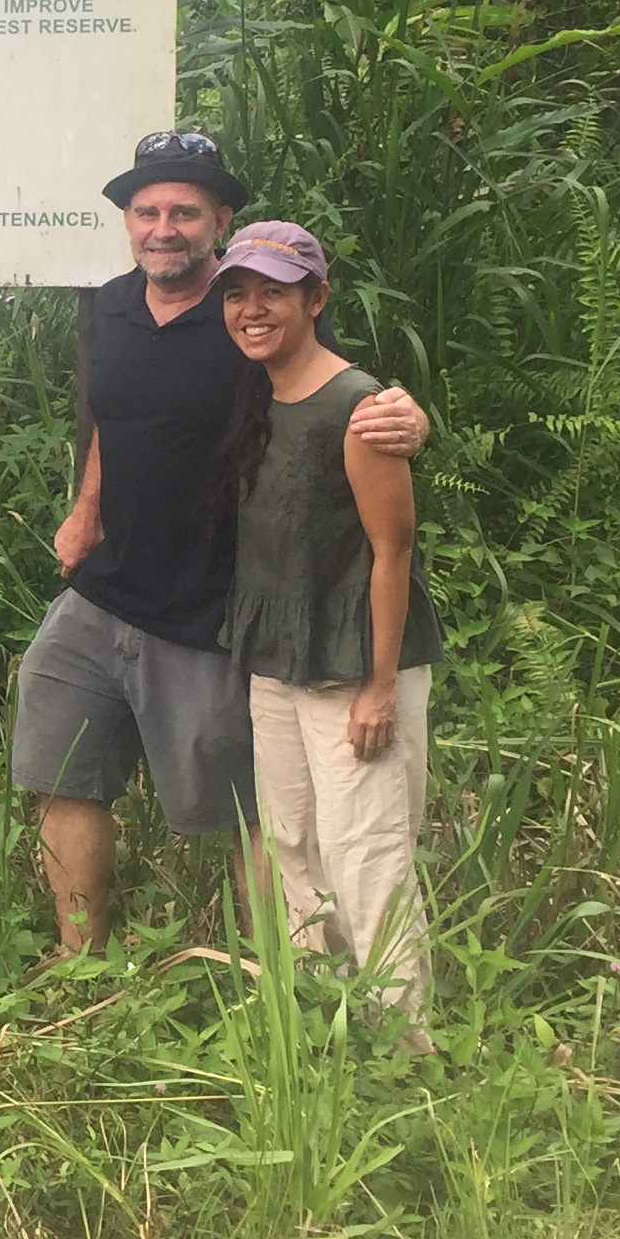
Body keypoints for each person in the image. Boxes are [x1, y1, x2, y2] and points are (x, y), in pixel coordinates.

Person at [15, 130, 425, 955]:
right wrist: (85, 510)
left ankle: (283, 979)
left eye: (185, 212)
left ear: (220, 222)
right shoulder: (111, 307)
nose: (164, 227)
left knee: (249, 815)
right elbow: (108, 418)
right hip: (100, 593)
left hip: (208, 613)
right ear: (128, 222)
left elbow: (336, 398)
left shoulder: (249, 314)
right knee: (59, 770)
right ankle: (77, 964)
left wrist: (410, 418)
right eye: (147, 211)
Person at [213, 221, 442, 1020]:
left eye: (272, 292)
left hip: (353, 662)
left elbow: (394, 550)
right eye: (237, 294)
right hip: (277, 657)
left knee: (367, 854)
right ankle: (321, 1021)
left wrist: (380, 687)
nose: (251, 309)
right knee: (292, 845)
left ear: (316, 298)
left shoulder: (360, 406)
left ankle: (406, 1044)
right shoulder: (256, 391)